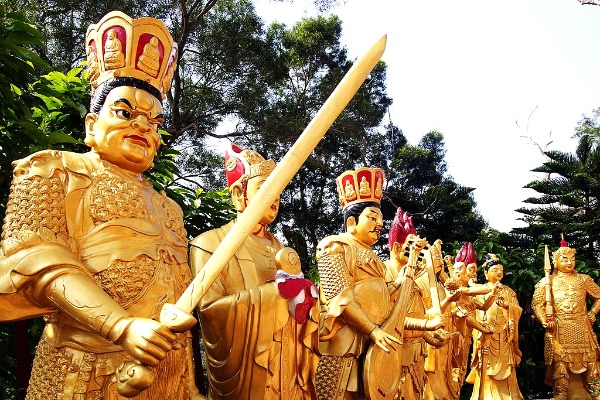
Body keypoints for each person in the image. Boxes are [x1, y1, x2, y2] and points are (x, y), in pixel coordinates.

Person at [0, 11, 203, 399]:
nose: (143, 126)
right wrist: (120, 326)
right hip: (83, 367)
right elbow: (35, 260)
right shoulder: (54, 170)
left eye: (155, 122)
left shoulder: (169, 208)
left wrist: (189, 383)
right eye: (125, 113)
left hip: (166, 375)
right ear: (92, 125)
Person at [189, 143, 319, 400]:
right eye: (265, 188)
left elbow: (298, 311)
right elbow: (209, 312)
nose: (276, 197)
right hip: (249, 372)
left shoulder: (282, 250)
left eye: (279, 191)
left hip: (288, 364)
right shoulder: (210, 244)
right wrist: (273, 295)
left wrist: (309, 301)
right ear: (239, 194)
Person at [315, 167, 404, 400]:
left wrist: (404, 280)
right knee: (338, 392)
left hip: (373, 340)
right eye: (372, 217)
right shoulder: (334, 246)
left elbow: (384, 294)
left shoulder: (377, 259)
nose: (379, 225)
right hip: (344, 339)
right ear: (352, 221)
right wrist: (371, 329)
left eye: (381, 220)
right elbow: (340, 297)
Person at [532, 238, 600, 400]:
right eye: (564, 259)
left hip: (582, 325)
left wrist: (592, 312)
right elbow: (537, 305)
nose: (569, 262)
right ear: (556, 262)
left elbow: (599, 297)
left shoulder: (584, 280)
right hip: (560, 326)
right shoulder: (547, 282)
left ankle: (595, 391)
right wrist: (544, 320)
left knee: (590, 358)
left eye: (572, 259)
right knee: (561, 360)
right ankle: (561, 393)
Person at [467, 254, 523, 400]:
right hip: (486, 335)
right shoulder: (479, 291)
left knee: (507, 366)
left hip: (505, 335)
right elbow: (473, 312)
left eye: (501, 270)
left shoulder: (509, 292)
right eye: (495, 269)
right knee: (485, 366)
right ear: (486, 273)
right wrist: (480, 329)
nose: (499, 272)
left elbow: (518, 310)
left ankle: (509, 395)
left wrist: (508, 306)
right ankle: (485, 395)